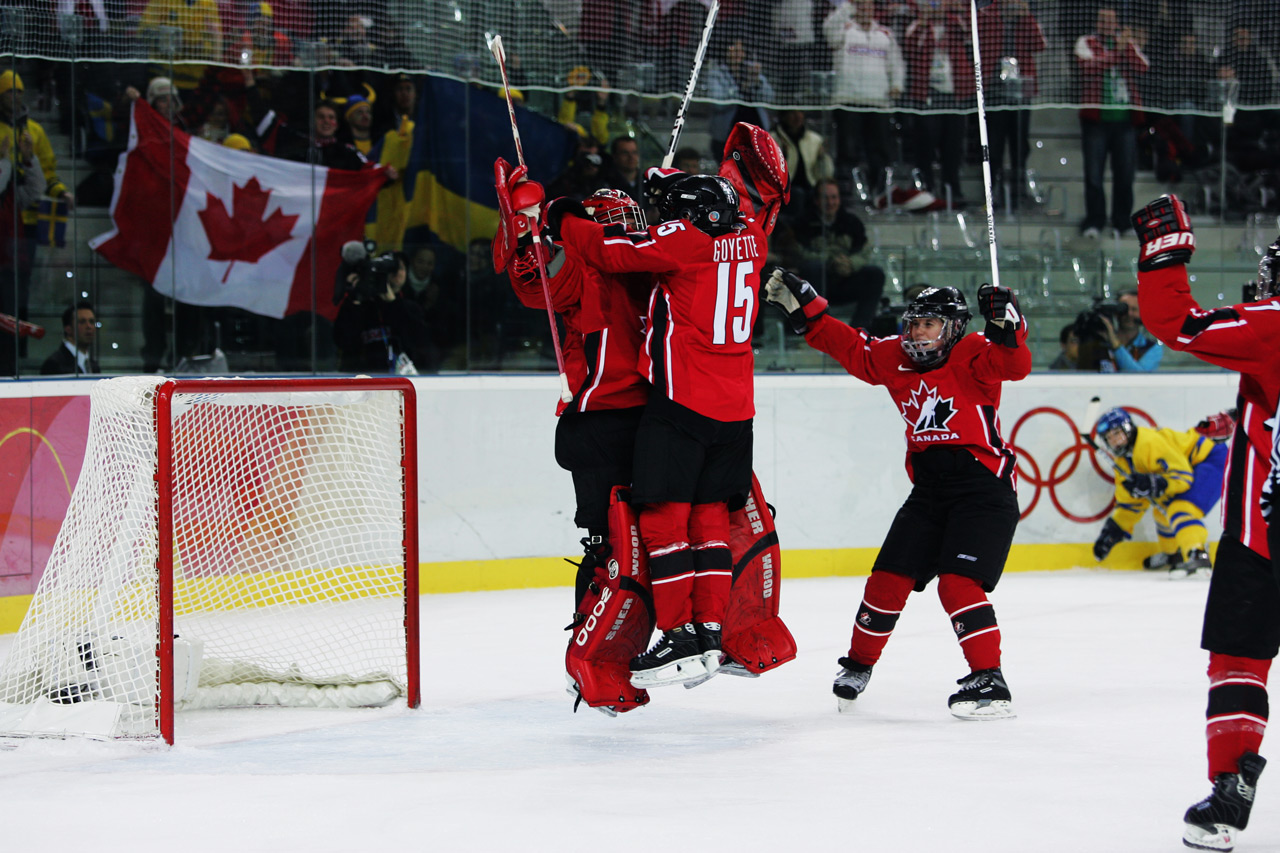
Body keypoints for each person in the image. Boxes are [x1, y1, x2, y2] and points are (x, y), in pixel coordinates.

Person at [763, 275, 1030, 719]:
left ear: (954, 328)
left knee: (957, 583)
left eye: (929, 324)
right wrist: (809, 316)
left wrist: (1009, 322)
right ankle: (858, 665)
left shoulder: (975, 352)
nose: (917, 333)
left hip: (983, 491)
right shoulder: (894, 357)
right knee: (887, 579)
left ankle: (990, 677)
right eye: (914, 324)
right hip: (929, 492)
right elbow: (853, 348)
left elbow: (1014, 363)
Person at [550, 173, 768, 689]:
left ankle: (679, 637)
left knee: (663, 524)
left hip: (683, 403)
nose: (663, 218)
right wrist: (681, 186)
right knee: (711, 517)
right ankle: (710, 632)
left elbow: (606, 251)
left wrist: (560, 213)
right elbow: (740, 203)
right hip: (738, 411)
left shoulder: (685, 243)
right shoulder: (754, 239)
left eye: (671, 211)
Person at [1130, 193, 1278, 850]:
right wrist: (1237, 421)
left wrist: (1167, 252)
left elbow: (1177, 323)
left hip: (1261, 536)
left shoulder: (1275, 320)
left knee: (1239, 659)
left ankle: (1229, 788)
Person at [498, 178, 651, 630]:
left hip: (642, 417)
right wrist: (524, 232)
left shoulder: (650, 268)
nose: (633, 232)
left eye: (634, 224)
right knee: (609, 544)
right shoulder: (585, 270)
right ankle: (594, 636)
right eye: (621, 225)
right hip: (599, 422)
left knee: (654, 534)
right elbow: (535, 283)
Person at [1090, 407, 1226, 576]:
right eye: (1109, 438)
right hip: (1192, 466)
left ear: (1128, 428)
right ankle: (1174, 555)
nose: (1115, 441)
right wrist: (1113, 530)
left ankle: (1197, 555)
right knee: (1161, 514)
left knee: (1181, 509)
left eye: (1117, 434)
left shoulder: (1149, 443)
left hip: (1212, 460)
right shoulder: (1123, 462)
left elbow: (1183, 478)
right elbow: (1131, 504)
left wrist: (1154, 483)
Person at [1074, 5, 1149, 238]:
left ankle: (1122, 223)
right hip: (1096, 120)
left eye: (1111, 20)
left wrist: (1125, 46)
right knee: (1094, 174)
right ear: (1097, 22)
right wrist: (1117, 53)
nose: (1107, 24)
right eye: (1102, 20)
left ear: (1116, 23)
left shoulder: (1125, 43)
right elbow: (1087, 67)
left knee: (1125, 174)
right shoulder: (1086, 42)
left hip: (1124, 121)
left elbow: (1143, 67)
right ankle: (1094, 221)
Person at [822, 0, 905, 194]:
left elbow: (896, 62)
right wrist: (847, 7)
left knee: (879, 151)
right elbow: (828, 30)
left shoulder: (885, 34)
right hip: (848, 101)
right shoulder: (844, 30)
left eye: (869, 5)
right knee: (848, 150)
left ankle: (880, 192)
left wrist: (896, 85)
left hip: (878, 102)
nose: (865, 8)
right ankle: (846, 192)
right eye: (861, 4)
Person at [783, 178, 885, 330]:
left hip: (845, 279)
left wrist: (850, 263)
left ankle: (859, 329)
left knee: (876, 274)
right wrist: (831, 262)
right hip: (815, 283)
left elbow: (865, 251)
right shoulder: (802, 223)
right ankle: (817, 328)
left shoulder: (852, 222)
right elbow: (797, 253)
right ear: (817, 200)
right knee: (814, 268)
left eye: (834, 197)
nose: (830, 202)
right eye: (825, 198)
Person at [900, 0, 973, 205]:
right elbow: (910, 48)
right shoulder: (917, 26)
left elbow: (970, 32)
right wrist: (923, 23)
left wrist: (957, 12)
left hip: (953, 94)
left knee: (953, 146)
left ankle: (953, 189)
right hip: (928, 95)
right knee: (926, 143)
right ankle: (928, 189)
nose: (936, 7)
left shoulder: (955, 23)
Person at [977, 0, 1048, 209]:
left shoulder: (1026, 17)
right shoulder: (986, 15)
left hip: (1020, 93)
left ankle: (1019, 192)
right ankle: (992, 194)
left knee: (1020, 144)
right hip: (994, 91)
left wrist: (1025, 16)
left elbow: (1040, 45)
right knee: (994, 145)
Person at [332, 252, 431, 374]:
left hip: (400, 379)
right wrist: (356, 297)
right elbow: (343, 341)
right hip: (361, 379)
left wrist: (392, 302)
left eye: (400, 268)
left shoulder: (411, 308)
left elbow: (419, 343)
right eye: (392, 269)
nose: (396, 273)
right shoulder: (360, 305)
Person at [771, 109, 836, 216]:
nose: (797, 116)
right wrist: (784, 156)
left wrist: (822, 158)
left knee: (825, 194)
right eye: (792, 112)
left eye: (800, 112)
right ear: (783, 116)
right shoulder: (771, 139)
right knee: (798, 195)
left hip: (811, 187)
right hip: (784, 190)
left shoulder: (815, 139)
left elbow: (826, 175)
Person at [1100, 290, 1163, 371]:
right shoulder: (1102, 342)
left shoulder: (1152, 348)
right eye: (1124, 309)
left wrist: (1115, 345)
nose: (1129, 314)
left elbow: (1138, 377)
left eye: (1134, 309)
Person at [40, 302, 101, 376]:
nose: (89, 326)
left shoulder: (94, 366)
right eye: (82, 322)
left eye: (91, 321)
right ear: (68, 329)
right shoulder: (53, 365)